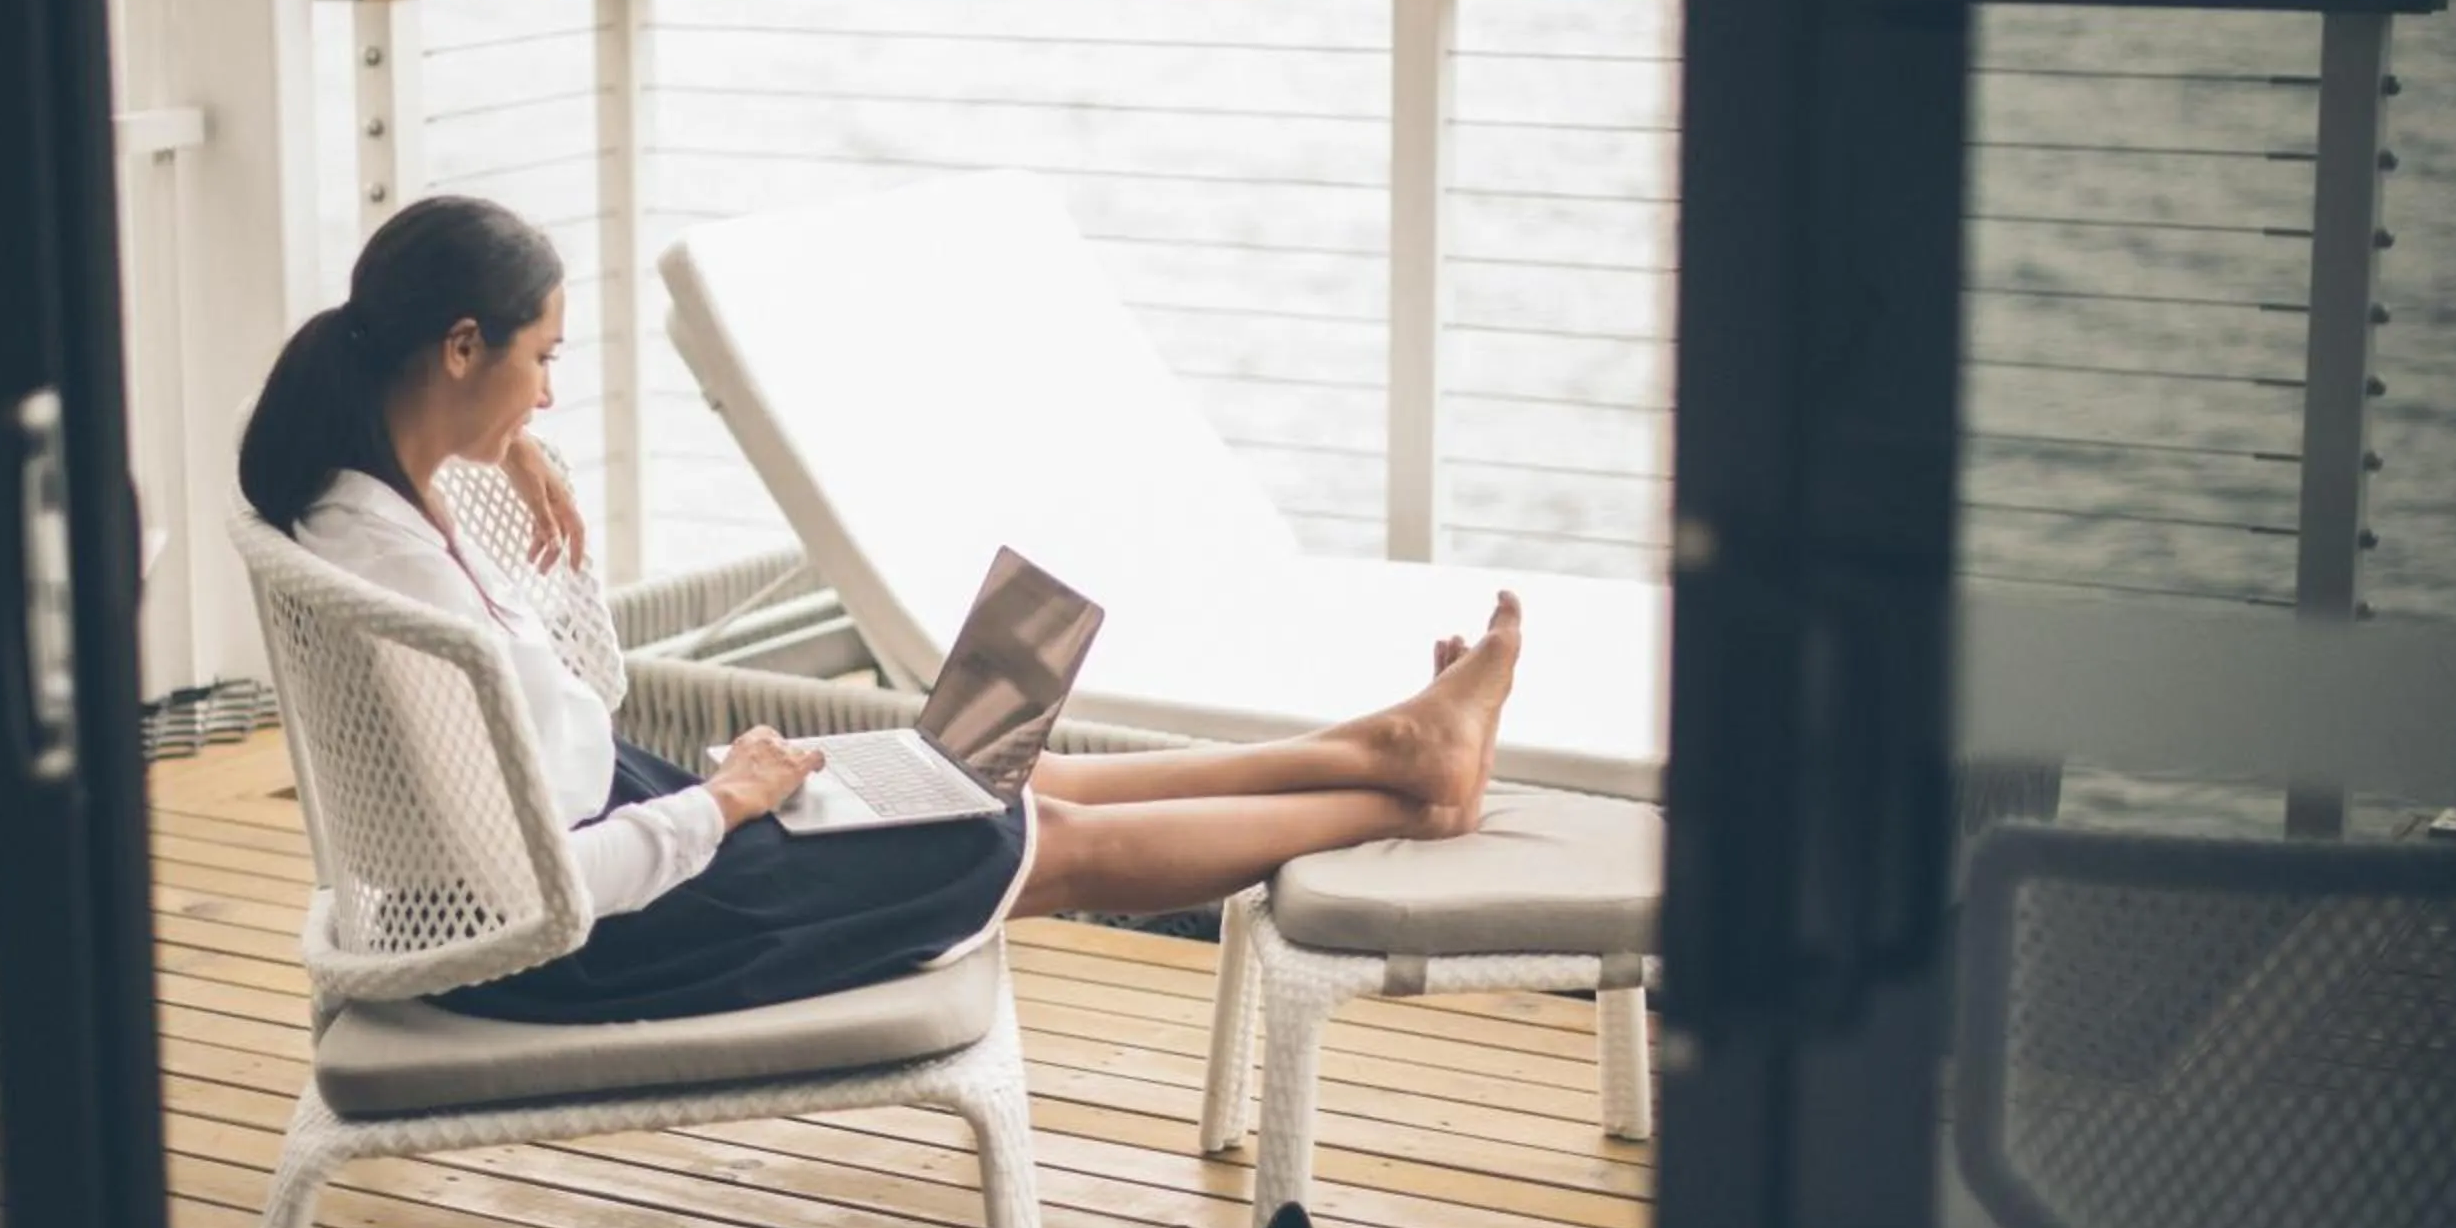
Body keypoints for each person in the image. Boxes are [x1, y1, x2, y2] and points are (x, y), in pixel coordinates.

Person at [238, 195, 1524, 1025]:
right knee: (1027, 832)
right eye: (543, 362)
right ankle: (1407, 795)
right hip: (598, 936)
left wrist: (505, 455)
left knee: (960, 768)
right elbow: (545, 889)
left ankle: (1376, 749)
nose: (551, 398)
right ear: (460, 348)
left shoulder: (365, 496)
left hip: (616, 830)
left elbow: (564, 704)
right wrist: (723, 803)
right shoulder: (401, 588)